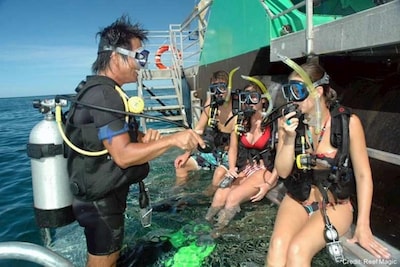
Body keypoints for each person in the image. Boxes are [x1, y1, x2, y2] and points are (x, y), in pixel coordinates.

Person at [64, 16, 204, 267]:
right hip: (100, 203)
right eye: (139, 56)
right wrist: (173, 139)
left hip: (100, 197)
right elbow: (123, 155)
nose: (142, 64)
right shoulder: (106, 95)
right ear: (116, 57)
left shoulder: (100, 91)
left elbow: (107, 142)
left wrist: (142, 141)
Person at [266, 62, 391, 266]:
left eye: (297, 91)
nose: (292, 99)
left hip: (335, 205)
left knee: (298, 251)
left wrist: (363, 225)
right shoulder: (289, 124)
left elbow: (363, 175)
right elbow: (283, 170)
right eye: (288, 92)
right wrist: (287, 138)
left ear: (317, 92)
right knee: (277, 247)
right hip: (298, 199)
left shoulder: (347, 124)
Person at [205, 81, 278, 230]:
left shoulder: (273, 122)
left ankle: (216, 233)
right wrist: (231, 168)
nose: (248, 102)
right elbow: (233, 148)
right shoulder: (241, 121)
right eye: (245, 98)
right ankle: (204, 226)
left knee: (233, 197)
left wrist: (269, 183)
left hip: (265, 170)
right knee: (220, 194)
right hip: (245, 168)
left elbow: (283, 155)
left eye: (253, 97)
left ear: (263, 99)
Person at [174, 70, 236, 191]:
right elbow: (198, 130)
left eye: (222, 88)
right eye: (214, 89)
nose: (218, 93)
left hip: (231, 155)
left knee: (217, 177)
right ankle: (179, 195)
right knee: (181, 165)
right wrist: (186, 154)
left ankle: (205, 200)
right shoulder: (211, 103)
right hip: (214, 152)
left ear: (229, 87)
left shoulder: (237, 105)